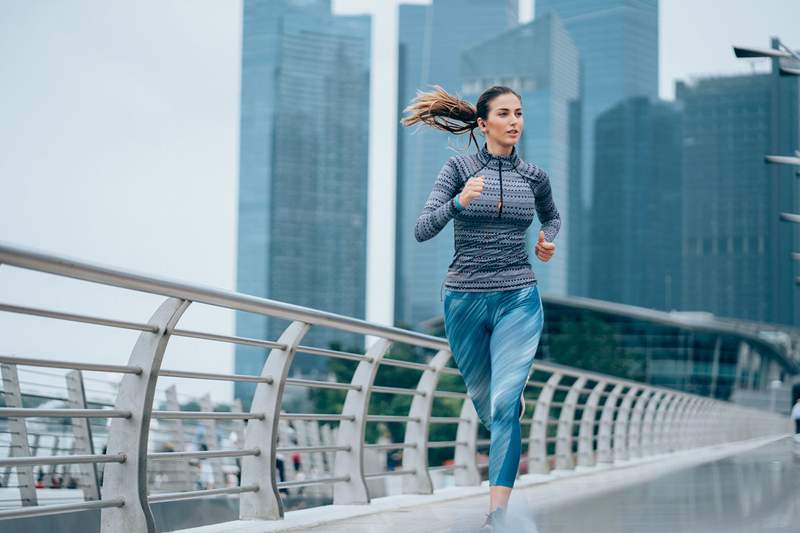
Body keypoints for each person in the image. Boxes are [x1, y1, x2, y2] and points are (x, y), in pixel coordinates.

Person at [402, 84, 560, 531]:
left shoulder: (534, 176)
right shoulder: (458, 168)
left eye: (520, 113)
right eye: (505, 114)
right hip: (465, 300)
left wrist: (547, 242)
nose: (515, 122)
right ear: (483, 121)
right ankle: (506, 427)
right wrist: (459, 201)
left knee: (507, 403)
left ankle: (498, 517)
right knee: (490, 408)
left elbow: (552, 215)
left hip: (519, 297)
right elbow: (421, 229)